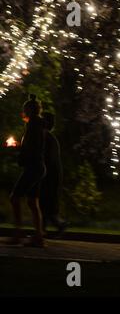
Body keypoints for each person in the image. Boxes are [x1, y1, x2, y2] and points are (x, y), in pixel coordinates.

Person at [8, 94, 47, 247]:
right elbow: (33, 146)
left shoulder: (33, 125)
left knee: (14, 197)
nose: (22, 114)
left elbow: (31, 148)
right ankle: (38, 237)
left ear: (29, 111)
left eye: (24, 110)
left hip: (33, 167)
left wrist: (18, 148)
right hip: (39, 167)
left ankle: (18, 234)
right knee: (32, 201)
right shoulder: (38, 125)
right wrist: (19, 145)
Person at [39, 112, 67, 236]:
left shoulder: (46, 138)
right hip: (52, 175)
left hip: (49, 176)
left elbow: (47, 158)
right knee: (46, 205)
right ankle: (43, 229)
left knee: (45, 204)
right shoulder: (50, 138)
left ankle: (46, 228)